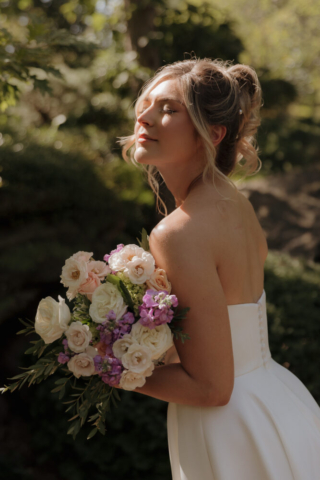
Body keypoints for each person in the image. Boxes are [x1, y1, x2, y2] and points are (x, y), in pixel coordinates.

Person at [117, 57, 320, 480]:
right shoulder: (235, 203)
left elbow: (211, 388)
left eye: (169, 109)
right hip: (275, 401)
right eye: (147, 103)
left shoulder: (178, 232)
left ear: (211, 134)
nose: (146, 116)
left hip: (230, 432)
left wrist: (113, 366)